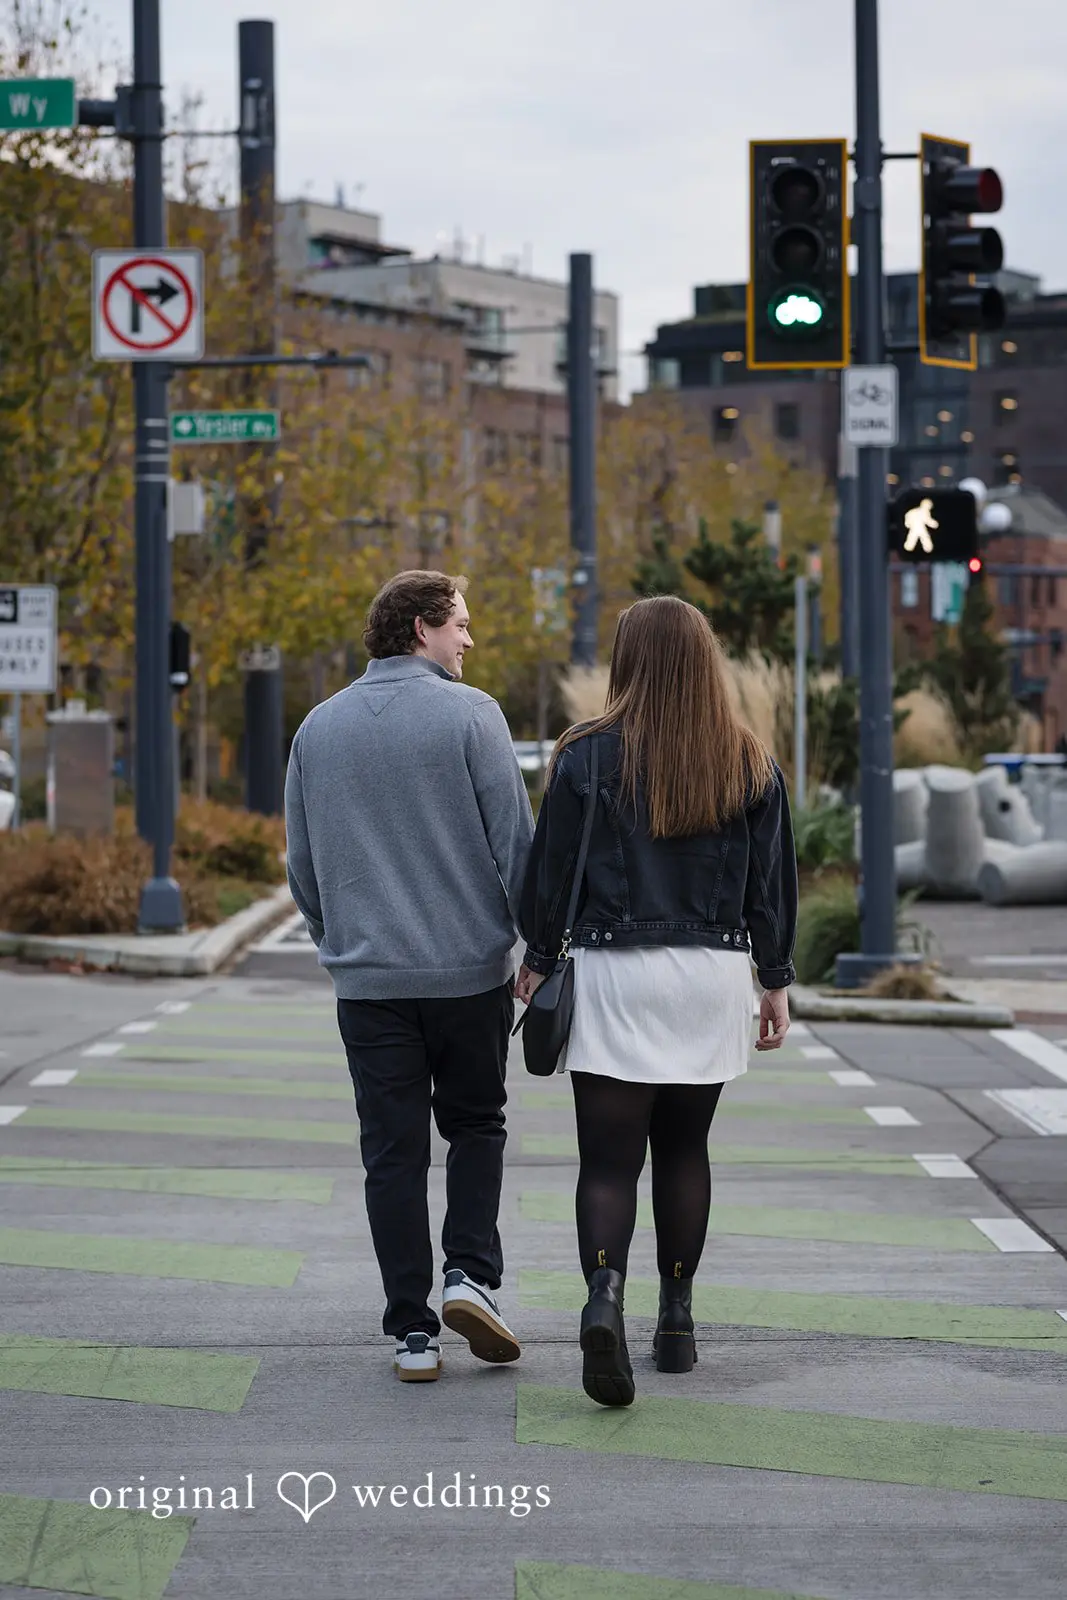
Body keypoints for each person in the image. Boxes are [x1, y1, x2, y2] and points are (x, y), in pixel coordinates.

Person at [516, 596, 798, 1408]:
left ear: (627, 660)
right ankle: (675, 1321)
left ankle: (603, 1297)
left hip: (612, 974)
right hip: (709, 979)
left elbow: (552, 872)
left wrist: (537, 959)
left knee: (608, 1161)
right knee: (684, 1153)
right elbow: (768, 886)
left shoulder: (583, 757)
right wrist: (773, 980)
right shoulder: (747, 760)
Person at [285, 571, 535, 1383]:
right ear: (422, 627)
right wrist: (537, 949)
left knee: (391, 1155)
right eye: (460, 623)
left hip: (368, 983)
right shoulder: (473, 716)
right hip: (467, 976)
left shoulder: (317, 730)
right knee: (476, 1125)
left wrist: (341, 941)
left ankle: (412, 1332)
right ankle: (472, 1277)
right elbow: (516, 849)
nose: (468, 639)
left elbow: (302, 867)